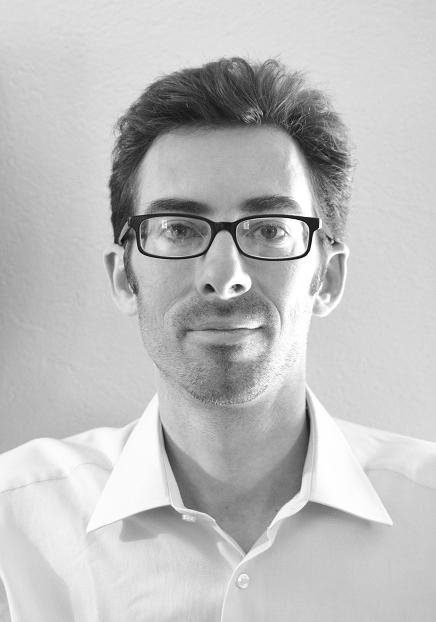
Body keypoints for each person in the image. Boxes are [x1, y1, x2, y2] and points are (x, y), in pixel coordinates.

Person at [0, 56, 435, 622]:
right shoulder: (13, 528)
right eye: (178, 229)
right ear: (124, 278)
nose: (224, 275)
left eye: (270, 229)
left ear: (327, 278)